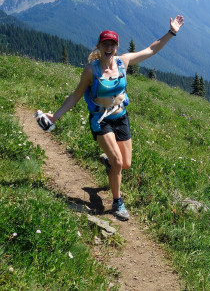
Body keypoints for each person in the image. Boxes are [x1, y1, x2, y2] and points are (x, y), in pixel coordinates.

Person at [40, 15, 185, 220]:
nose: (109, 48)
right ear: (99, 46)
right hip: (101, 120)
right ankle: (118, 203)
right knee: (118, 162)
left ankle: (109, 162)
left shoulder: (123, 62)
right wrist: (54, 117)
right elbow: (75, 95)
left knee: (125, 164)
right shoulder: (91, 71)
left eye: (112, 44)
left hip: (121, 117)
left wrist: (171, 32)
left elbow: (151, 50)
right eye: (105, 44)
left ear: (116, 47)